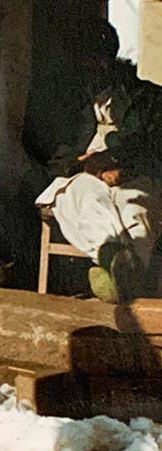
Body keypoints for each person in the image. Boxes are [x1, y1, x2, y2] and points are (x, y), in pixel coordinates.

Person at [34, 19, 162, 302]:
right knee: (78, 196)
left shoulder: (149, 99)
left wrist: (119, 161)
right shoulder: (65, 103)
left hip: (131, 176)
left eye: (100, 59)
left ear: (111, 58)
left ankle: (119, 275)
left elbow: (154, 147)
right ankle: (117, 260)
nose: (94, 68)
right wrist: (85, 166)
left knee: (136, 206)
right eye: (86, 61)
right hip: (83, 178)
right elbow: (52, 157)